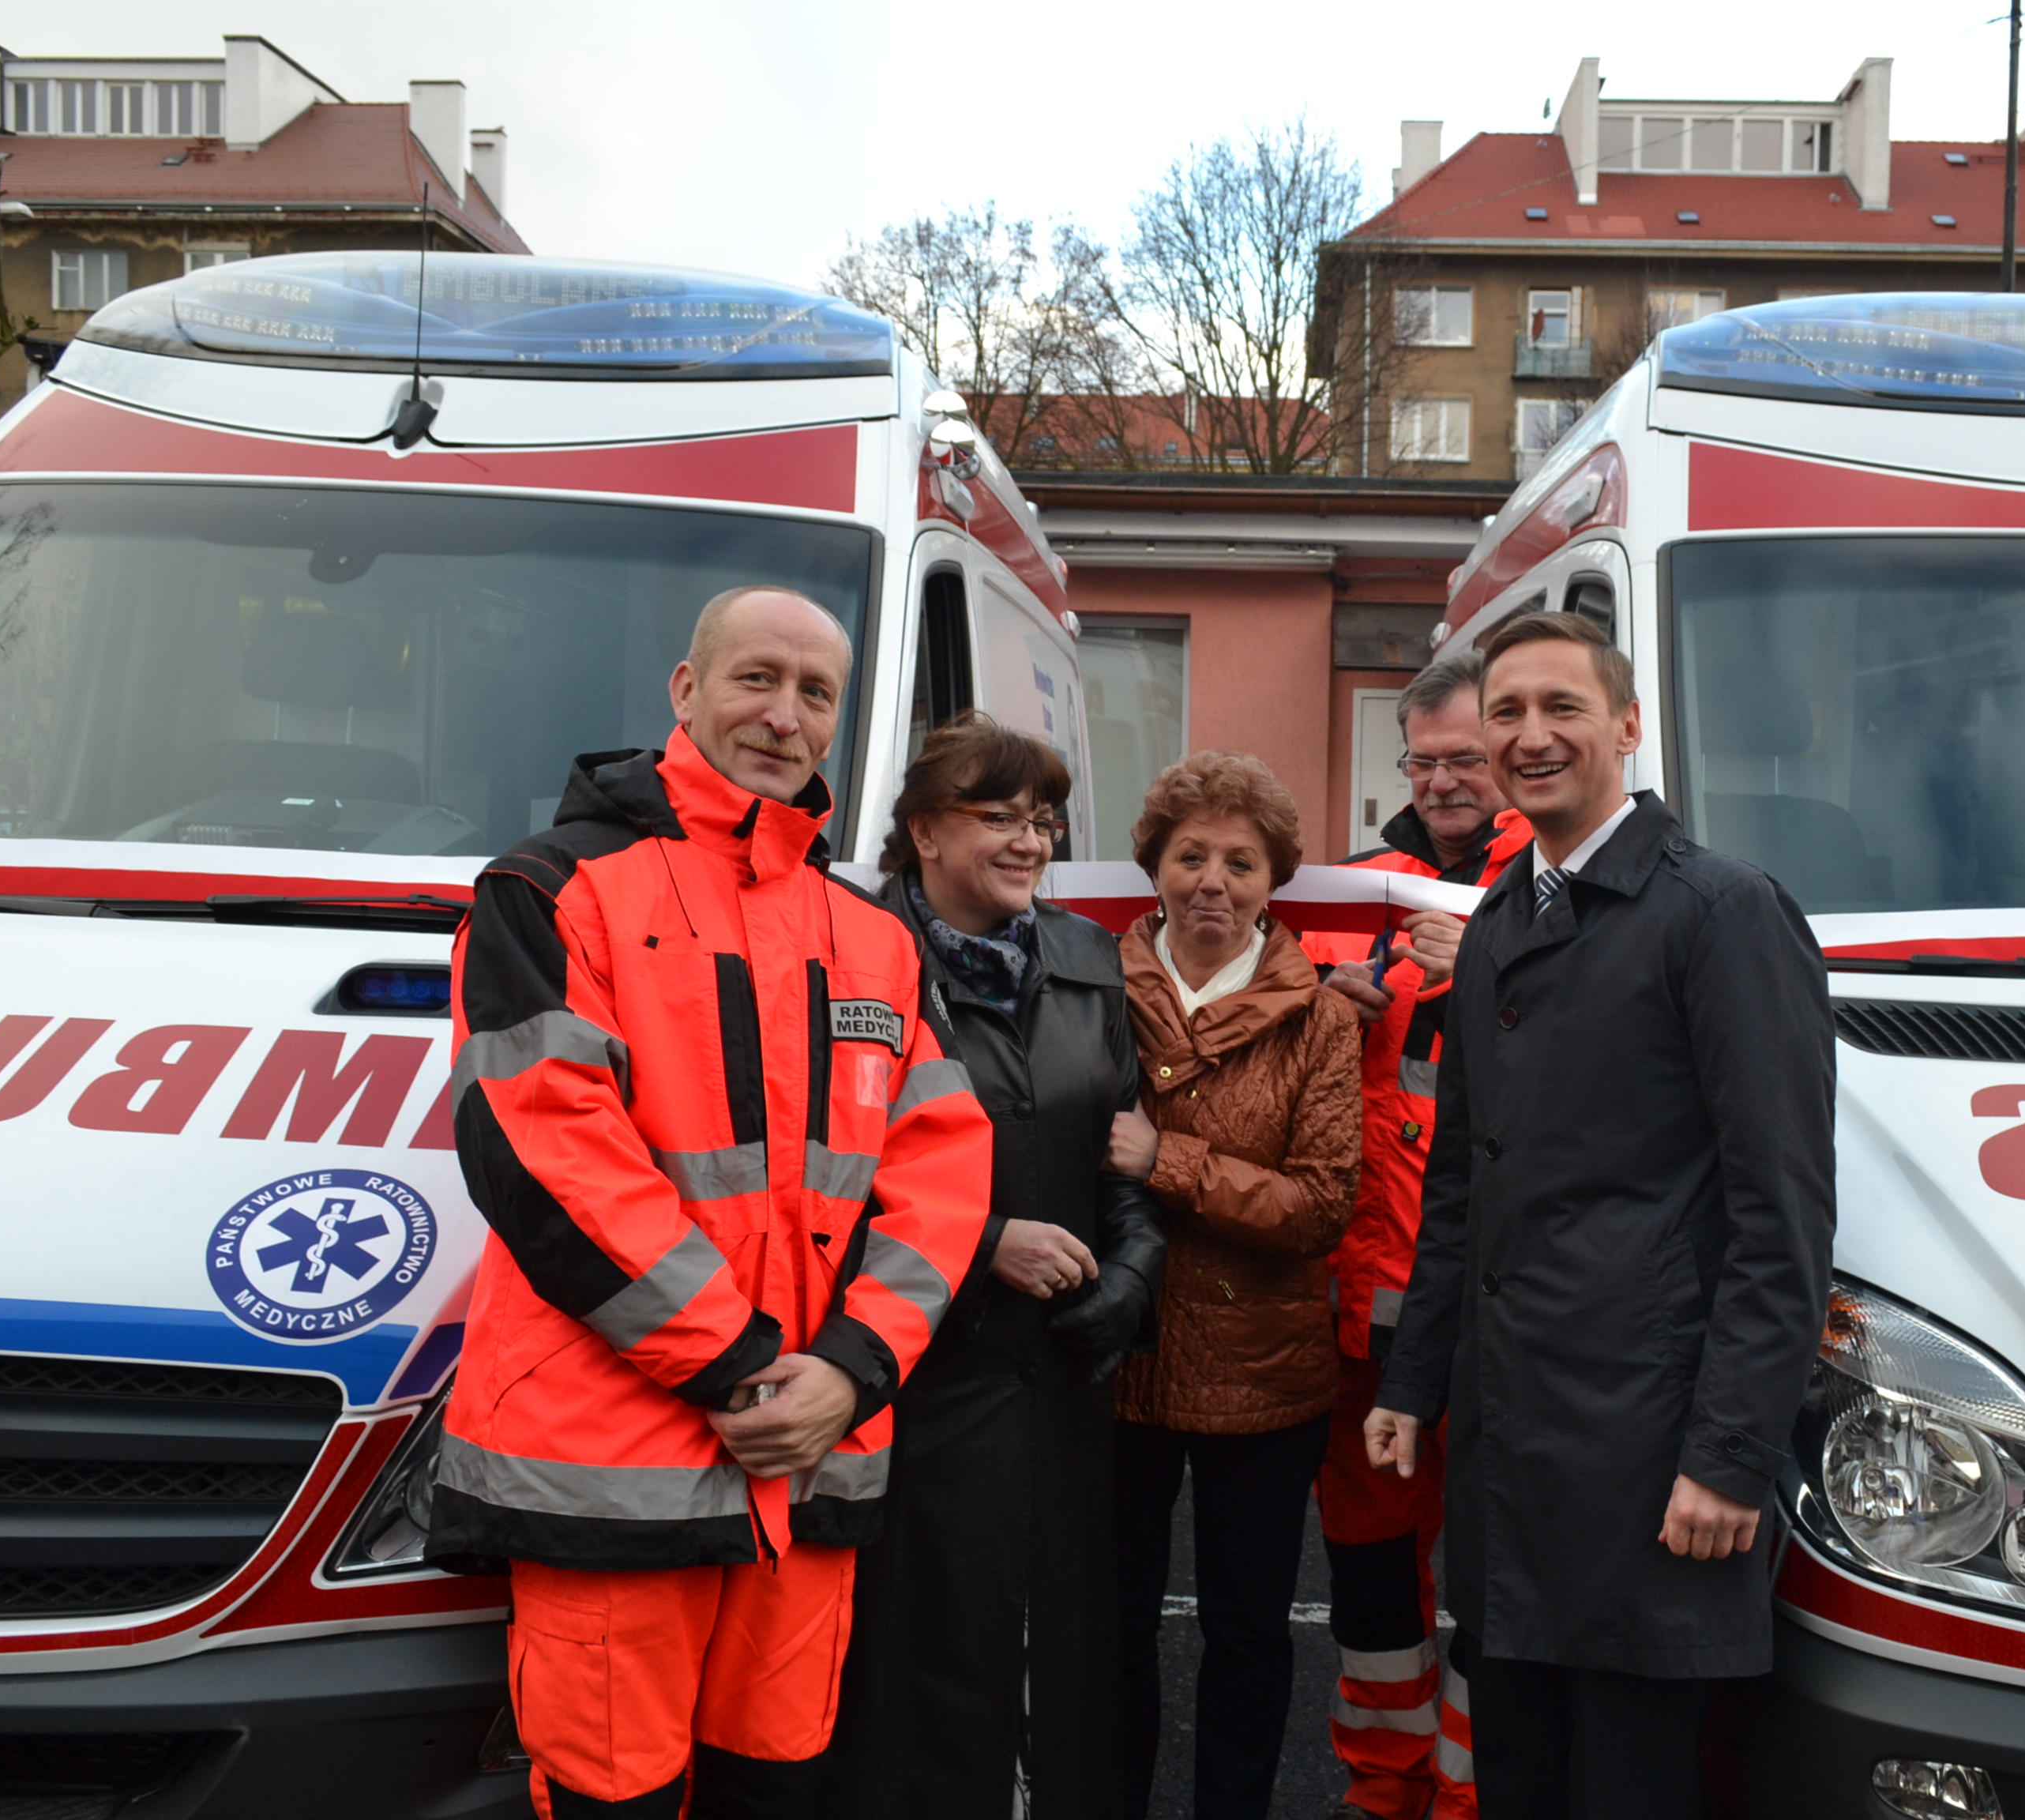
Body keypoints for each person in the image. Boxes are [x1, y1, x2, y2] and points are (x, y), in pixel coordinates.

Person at [433, 586, 993, 1820]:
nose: (783, 716)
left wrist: (850, 1371)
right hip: (620, 1462)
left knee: (779, 1793)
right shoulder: (548, 890)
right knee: (611, 1799)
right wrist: (749, 1371)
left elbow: (942, 1171)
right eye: (755, 679)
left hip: (808, 1459)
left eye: (815, 693)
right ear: (685, 693)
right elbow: (546, 1155)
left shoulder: (872, 938)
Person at [1366, 612, 1835, 1820]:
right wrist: (1412, 1384)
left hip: (1654, 1461)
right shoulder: (1503, 924)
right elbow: (1467, 1184)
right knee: (1519, 1774)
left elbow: (1778, 1214)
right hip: (1512, 1451)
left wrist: (1730, 1458)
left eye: (1562, 708)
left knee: (1628, 1787)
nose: (1531, 737)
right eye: (1507, 713)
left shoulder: (1722, 912)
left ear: (1628, 727)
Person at [818, 713, 1166, 1820]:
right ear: (922, 830)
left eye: (1044, 820)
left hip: (1062, 1380)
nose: (1031, 841)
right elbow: (815, 1186)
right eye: (998, 816)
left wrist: (1133, 1279)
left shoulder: (1082, 958)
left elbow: (1126, 1152)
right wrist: (976, 1253)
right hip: (913, 1385)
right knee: (925, 1670)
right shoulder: (851, 959)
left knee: (1058, 1662)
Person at [1106, 751, 1362, 1820]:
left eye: (1241, 862)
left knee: (1249, 1631)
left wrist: (1165, 1161)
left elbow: (1318, 1207)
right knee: (1110, 1626)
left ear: (1274, 881)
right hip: (1120, 1360)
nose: (1213, 880)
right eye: (1191, 855)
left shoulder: (1322, 1021)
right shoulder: (1090, 990)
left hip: (1265, 1374)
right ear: (1155, 866)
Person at [1302, 652, 1530, 1820]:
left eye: (1466, 759)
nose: (1444, 782)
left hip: (1497, 1318)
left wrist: (1489, 959)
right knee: (1374, 1579)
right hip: (1366, 1319)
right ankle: (1379, 1787)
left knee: (1495, 1584)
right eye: (1424, 761)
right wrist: (1313, 1012)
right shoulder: (1351, 895)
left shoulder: (1553, 885)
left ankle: (1470, 1798)